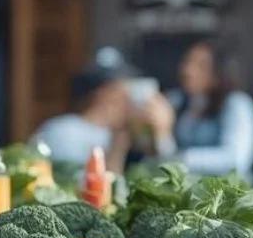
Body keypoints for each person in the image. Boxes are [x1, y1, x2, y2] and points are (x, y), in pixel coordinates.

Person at [32, 51, 174, 174]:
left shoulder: (127, 132)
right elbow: (86, 189)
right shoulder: (64, 131)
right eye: (124, 84)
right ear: (106, 92)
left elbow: (163, 177)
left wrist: (162, 134)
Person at [152, 40, 253, 182]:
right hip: (185, 191)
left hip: (227, 195)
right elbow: (161, 152)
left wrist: (181, 158)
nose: (188, 70)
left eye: (201, 66)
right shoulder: (178, 101)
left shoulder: (237, 104)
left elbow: (235, 160)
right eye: (187, 62)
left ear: (219, 73)